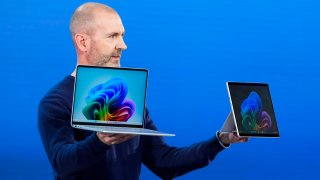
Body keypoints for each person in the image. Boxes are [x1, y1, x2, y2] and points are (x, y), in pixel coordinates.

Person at [38, 2, 248, 180]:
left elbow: (164, 162)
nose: (123, 45)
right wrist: (100, 140)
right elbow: (61, 162)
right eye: (112, 36)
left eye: (122, 35)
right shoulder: (56, 101)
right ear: (83, 41)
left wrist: (220, 140)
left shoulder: (127, 100)